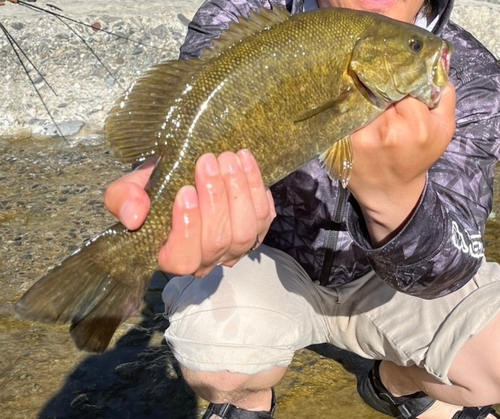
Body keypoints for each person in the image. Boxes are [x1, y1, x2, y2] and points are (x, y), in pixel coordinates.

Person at [103, 0, 500, 417]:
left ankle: (394, 383)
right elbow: (191, 124)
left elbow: (453, 264)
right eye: (415, 49)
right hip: (266, 266)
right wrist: (162, 188)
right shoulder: (242, 13)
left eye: (415, 47)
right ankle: (245, 399)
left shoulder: (471, 73)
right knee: (216, 355)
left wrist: (396, 194)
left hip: (384, 286)